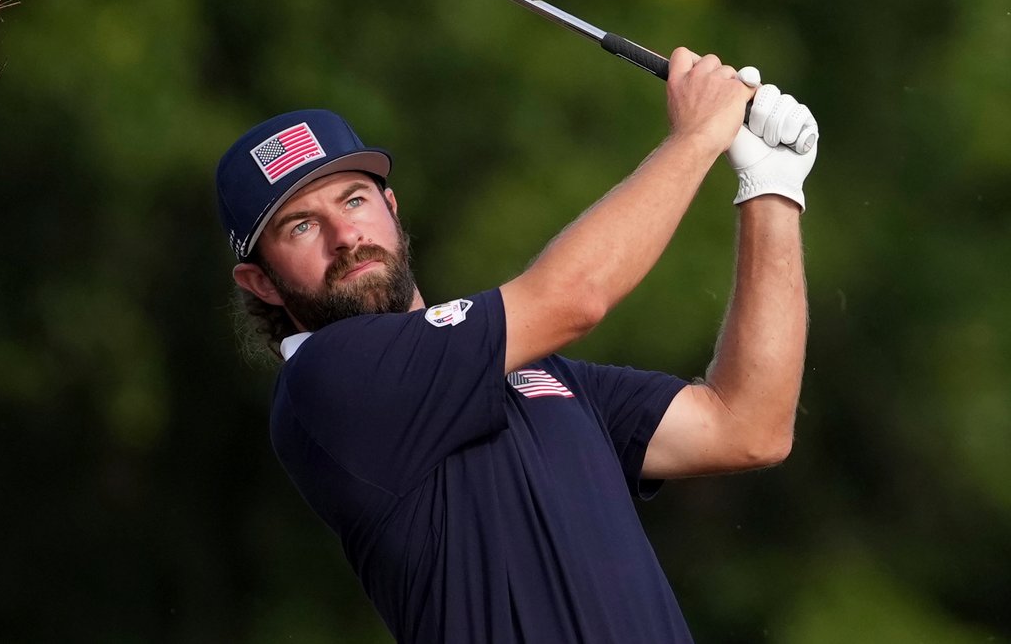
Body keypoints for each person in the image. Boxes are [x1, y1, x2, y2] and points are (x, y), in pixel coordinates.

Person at [213, 48, 818, 643]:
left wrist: (770, 187)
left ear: (390, 207)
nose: (344, 235)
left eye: (354, 199)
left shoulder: (540, 373)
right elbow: (574, 297)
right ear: (260, 281)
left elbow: (748, 426)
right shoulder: (329, 378)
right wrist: (697, 136)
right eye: (301, 225)